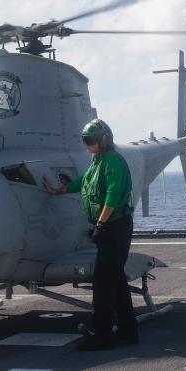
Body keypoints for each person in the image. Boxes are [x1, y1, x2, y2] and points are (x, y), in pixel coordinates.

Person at [44, 118, 138, 351]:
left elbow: (113, 196)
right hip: (109, 227)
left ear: (104, 140)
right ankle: (128, 331)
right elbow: (83, 183)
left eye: (90, 141)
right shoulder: (98, 162)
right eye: (85, 141)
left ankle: (102, 334)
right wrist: (58, 191)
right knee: (116, 280)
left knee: (103, 282)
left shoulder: (113, 161)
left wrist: (100, 224)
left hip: (115, 228)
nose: (87, 145)